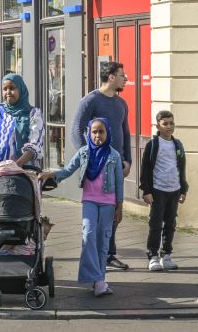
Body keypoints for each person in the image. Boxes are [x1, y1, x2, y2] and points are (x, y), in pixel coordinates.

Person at [41, 118, 124, 297]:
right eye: (94, 132)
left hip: (109, 203)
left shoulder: (114, 155)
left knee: (103, 241)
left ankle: (99, 281)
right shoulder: (84, 153)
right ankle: (94, 276)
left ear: (107, 133)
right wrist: (52, 174)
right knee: (88, 236)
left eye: (101, 132)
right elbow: (68, 170)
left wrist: (120, 206)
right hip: (90, 201)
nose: (97, 135)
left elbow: (119, 182)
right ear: (89, 133)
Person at [71, 61, 132, 271]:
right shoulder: (91, 100)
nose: (126, 78)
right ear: (112, 77)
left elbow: (125, 133)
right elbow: (76, 130)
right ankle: (97, 255)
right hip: (96, 169)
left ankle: (108, 254)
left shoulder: (121, 103)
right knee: (95, 218)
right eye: (123, 75)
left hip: (116, 165)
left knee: (114, 211)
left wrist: (128, 160)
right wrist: (87, 158)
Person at [140, 110, 188, 272]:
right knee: (155, 224)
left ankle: (166, 255)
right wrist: (146, 190)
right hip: (158, 190)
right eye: (165, 124)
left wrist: (183, 189)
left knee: (170, 223)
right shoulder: (153, 145)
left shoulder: (178, 145)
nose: (169, 126)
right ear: (157, 126)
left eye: (171, 123)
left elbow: (181, 168)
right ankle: (153, 256)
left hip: (174, 190)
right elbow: (145, 169)